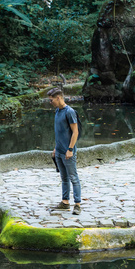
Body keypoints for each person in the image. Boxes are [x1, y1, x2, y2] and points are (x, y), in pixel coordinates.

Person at [47, 87, 82, 215]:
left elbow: (75, 132)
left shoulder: (69, 112)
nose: (50, 103)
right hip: (59, 151)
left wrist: (70, 149)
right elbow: (60, 132)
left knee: (73, 177)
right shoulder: (57, 111)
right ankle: (65, 202)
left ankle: (77, 204)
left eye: (51, 100)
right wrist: (56, 148)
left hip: (68, 152)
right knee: (64, 177)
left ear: (58, 98)